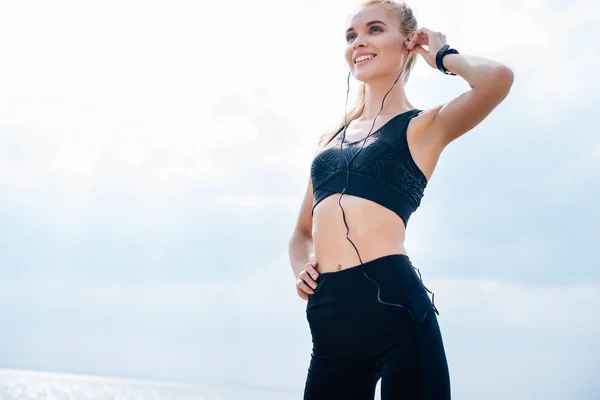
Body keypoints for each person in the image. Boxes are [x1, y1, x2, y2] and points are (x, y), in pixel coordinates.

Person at [287, 0, 514, 398]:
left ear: (409, 41)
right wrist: (301, 268)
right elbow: (302, 233)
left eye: (375, 29)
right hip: (329, 320)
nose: (359, 41)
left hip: (395, 310)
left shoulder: (424, 126)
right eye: (351, 35)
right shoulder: (330, 141)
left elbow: (498, 78)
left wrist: (443, 54)